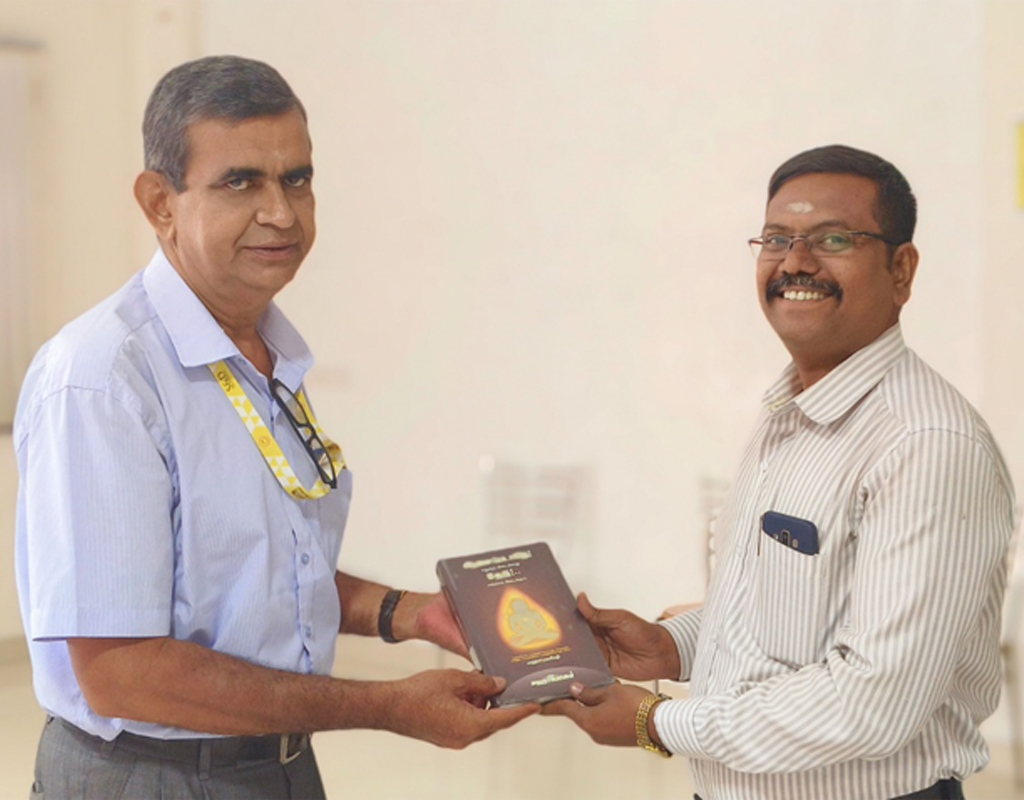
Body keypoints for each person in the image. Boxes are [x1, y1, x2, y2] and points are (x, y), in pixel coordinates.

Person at [13, 55, 535, 800]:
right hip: (151, 776)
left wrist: (410, 613)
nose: (282, 213)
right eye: (240, 182)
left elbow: (255, 574)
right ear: (160, 203)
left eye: (297, 179)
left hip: (277, 765)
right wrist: (386, 707)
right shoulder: (104, 378)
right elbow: (121, 672)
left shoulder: (267, 354)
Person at [543, 145, 1016, 800]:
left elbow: (871, 703)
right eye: (776, 239)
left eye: (833, 239)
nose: (795, 261)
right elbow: (776, 617)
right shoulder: (786, 416)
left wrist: (656, 723)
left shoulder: (927, 445)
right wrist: (670, 647)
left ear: (901, 270)